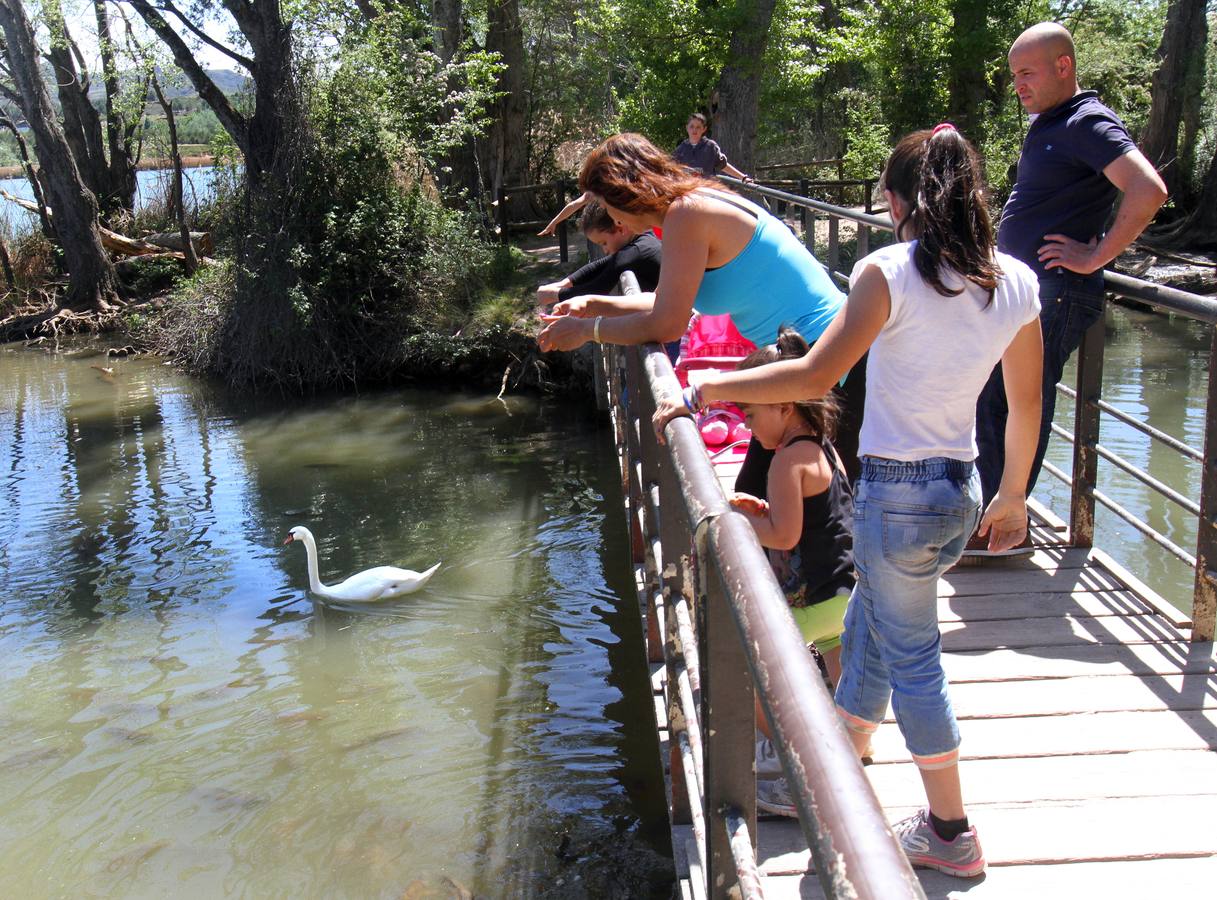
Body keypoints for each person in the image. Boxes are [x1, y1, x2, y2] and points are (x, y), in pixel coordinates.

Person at [654, 125, 1044, 878]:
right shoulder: (1014, 280)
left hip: (896, 496)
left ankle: (949, 829)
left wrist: (709, 385)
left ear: (897, 202)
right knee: (870, 615)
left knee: (915, 657)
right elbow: (1024, 404)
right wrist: (1014, 494)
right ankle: (845, 747)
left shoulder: (886, 272)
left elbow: (811, 375)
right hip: (959, 492)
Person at [536, 132, 864, 481]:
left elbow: (667, 324)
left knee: (820, 507)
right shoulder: (689, 204)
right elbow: (671, 300)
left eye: (608, 207)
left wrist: (589, 331)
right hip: (805, 359)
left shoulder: (687, 215)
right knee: (760, 498)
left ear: (625, 193)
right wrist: (592, 304)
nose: (613, 219)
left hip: (829, 365)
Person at [967, 21, 1167, 558]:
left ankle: (1003, 531)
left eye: (1027, 73)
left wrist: (1096, 254)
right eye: (1014, 76)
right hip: (1029, 291)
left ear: (1064, 66)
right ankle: (998, 522)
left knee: (1014, 401)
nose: (1019, 85)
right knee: (994, 400)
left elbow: (1148, 189)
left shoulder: (1086, 122)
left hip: (1055, 292)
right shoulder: (1052, 122)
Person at [536, 200, 662, 304]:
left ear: (620, 228)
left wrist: (555, 295)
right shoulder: (645, 236)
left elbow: (597, 287)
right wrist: (564, 283)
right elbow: (602, 264)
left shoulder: (634, 253)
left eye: (604, 243)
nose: (605, 250)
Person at [673, 112, 751, 181]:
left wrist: (743, 177)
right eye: (692, 126)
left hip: (707, 190)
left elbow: (723, 165)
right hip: (689, 190)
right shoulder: (680, 150)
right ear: (687, 128)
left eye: (698, 127)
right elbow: (671, 169)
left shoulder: (711, 147)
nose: (694, 130)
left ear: (704, 129)